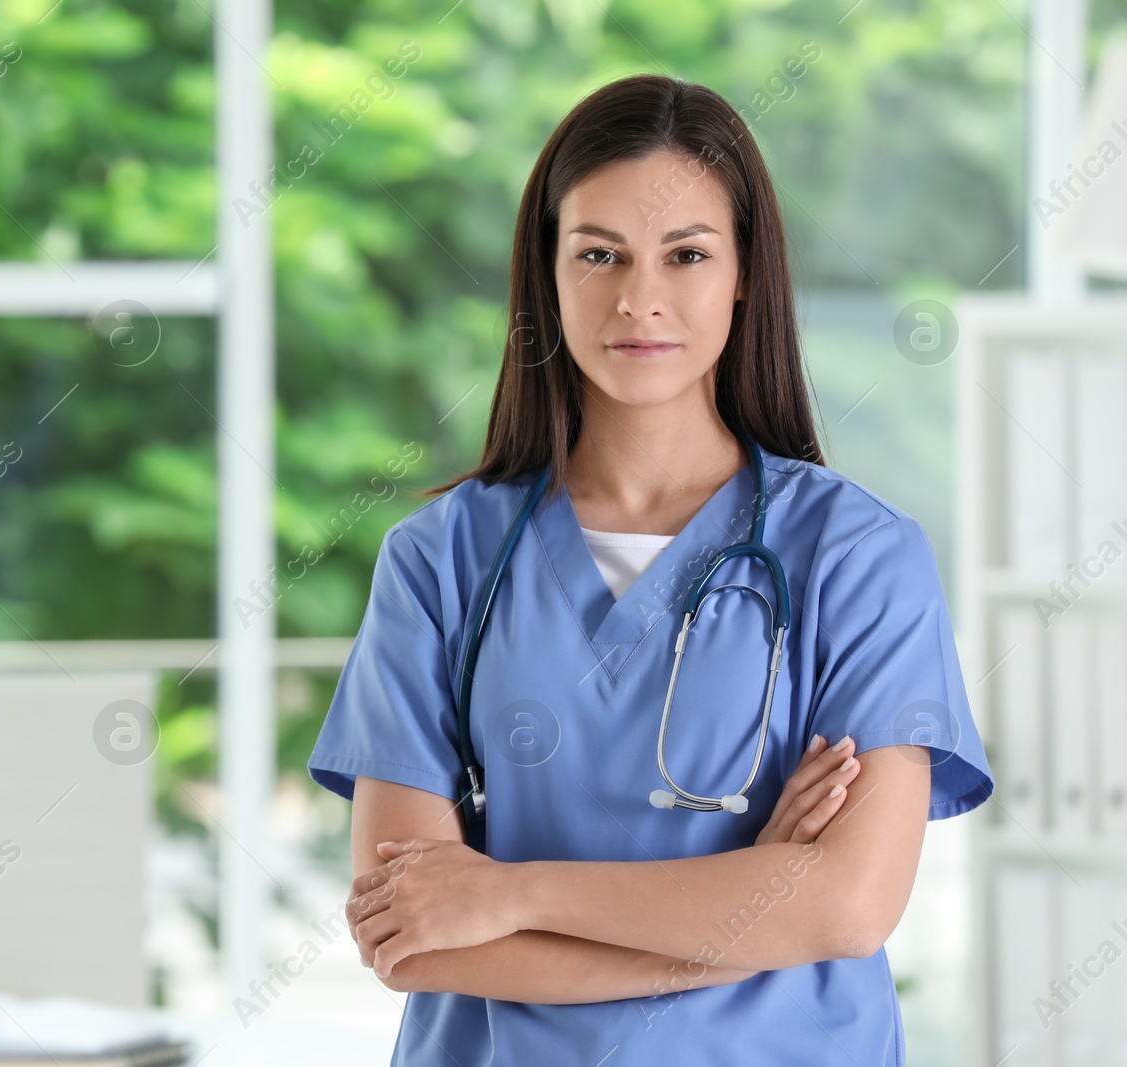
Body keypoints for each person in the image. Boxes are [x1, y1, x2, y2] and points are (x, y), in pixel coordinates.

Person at [305, 73, 994, 1066]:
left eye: (686, 254)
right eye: (598, 254)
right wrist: (749, 912)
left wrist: (507, 893)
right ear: (545, 270)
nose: (640, 298)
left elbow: (844, 906)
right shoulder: (440, 559)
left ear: (744, 271)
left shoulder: (856, 555)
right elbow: (407, 937)